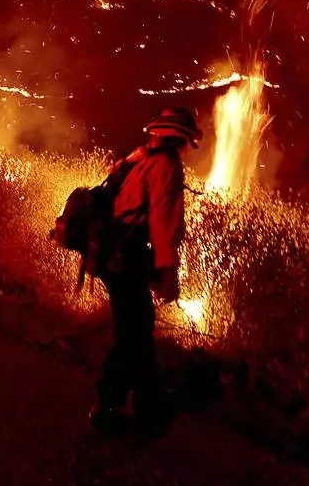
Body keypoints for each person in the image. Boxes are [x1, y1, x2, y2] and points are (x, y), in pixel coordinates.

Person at [89, 107, 202, 436]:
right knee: (133, 332)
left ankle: (147, 399)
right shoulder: (166, 166)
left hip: (111, 252)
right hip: (129, 254)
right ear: (180, 139)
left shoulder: (138, 157)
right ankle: (109, 404)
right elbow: (164, 222)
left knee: (136, 327)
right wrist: (167, 271)